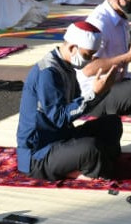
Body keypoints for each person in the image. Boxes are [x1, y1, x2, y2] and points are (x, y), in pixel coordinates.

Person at [16, 20, 123, 181]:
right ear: (73, 48)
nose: (90, 59)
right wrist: (95, 93)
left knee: (112, 124)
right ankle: (87, 166)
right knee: (91, 148)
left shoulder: (66, 66)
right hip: (39, 153)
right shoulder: (48, 72)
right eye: (87, 55)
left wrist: (102, 91)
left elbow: (76, 105)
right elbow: (59, 117)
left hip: (63, 137)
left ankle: (89, 164)